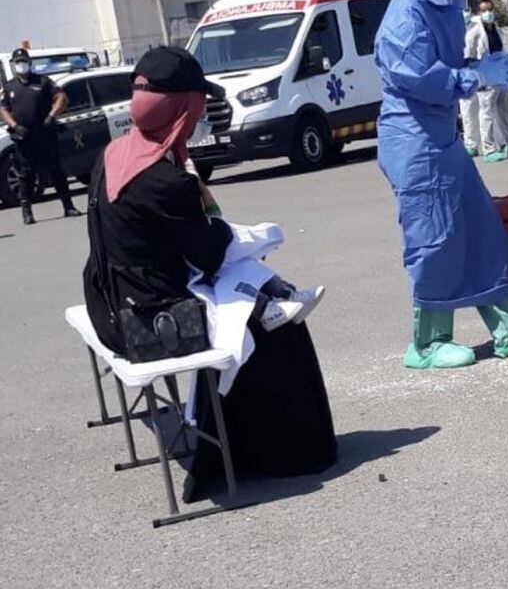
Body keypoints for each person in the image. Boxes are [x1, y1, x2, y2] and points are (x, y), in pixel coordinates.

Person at [82, 46, 336, 502]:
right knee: (274, 328)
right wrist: (207, 200)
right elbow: (210, 251)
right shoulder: (169, 182)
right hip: (153, 322)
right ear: (181, 112)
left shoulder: (113, 155)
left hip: (112, 304)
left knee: (240, 276)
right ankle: (281, 453)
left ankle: (273, 295)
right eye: (196, 112)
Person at [374, 0, 508, 369]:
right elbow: (420, 77)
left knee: (479, 226)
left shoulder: (447, 5)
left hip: (442, 137)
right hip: (414, 139)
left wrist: (479, 65)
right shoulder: (406, 12)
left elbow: (448, 65)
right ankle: (428, 342)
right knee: (436, 236)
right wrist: (477, 77)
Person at [1, 47, 80, 224]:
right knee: (26, 175)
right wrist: (14, 125)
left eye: (24, 61)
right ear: (14, 65)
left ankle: (68, 206)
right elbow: (3, 109)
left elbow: (62, 98)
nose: (21, 65)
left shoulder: (43, 82)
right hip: (25, 138)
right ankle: (27, 213)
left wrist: (52, 116)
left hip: (45, 134)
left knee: (56, 171)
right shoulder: (10, 87)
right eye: (18, 62)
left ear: (29, 63)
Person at [466, 0, 508, 163]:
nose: (488, 13)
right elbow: (469, 56)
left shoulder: (498, 31)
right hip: (485, 78)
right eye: (484, 10)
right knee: (486, 113)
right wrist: (478, 72)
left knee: (504, 113)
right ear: (479, 13)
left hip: (500, 76)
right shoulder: (474, 33)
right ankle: (489, 149)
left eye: (490, 9)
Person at [459, 8, 482, 156]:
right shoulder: (453, 27)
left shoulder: (478, 27)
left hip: (478, 69)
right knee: (467, 112)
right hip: (463, 71)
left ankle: (493, 144)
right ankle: (471, 145)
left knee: (486, 111)